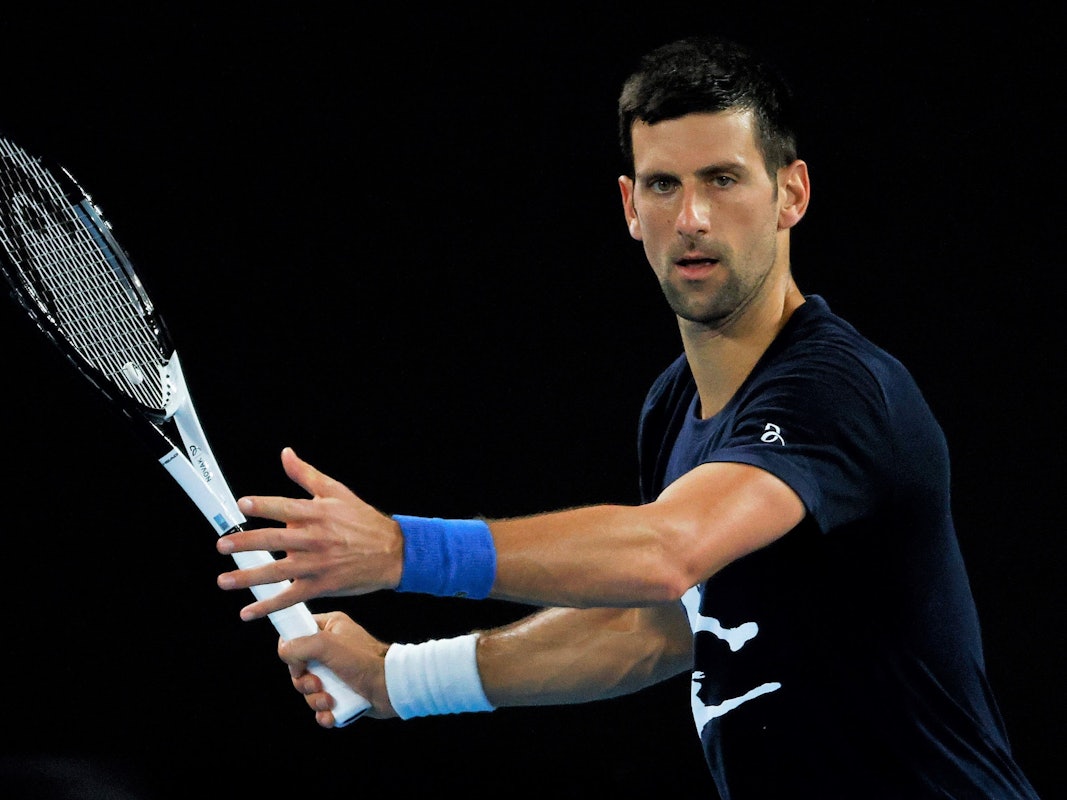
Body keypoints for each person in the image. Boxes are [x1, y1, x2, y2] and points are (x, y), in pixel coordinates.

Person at [214, 36, 1040, 799]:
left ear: (790, 192)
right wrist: (402, 677)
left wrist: (402, 549)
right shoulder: (671, 407)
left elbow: (665, 553)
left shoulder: (840, 389)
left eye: (722, 179)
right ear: (627, 206)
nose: (691, 219)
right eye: (661, 184)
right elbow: (658, 630)